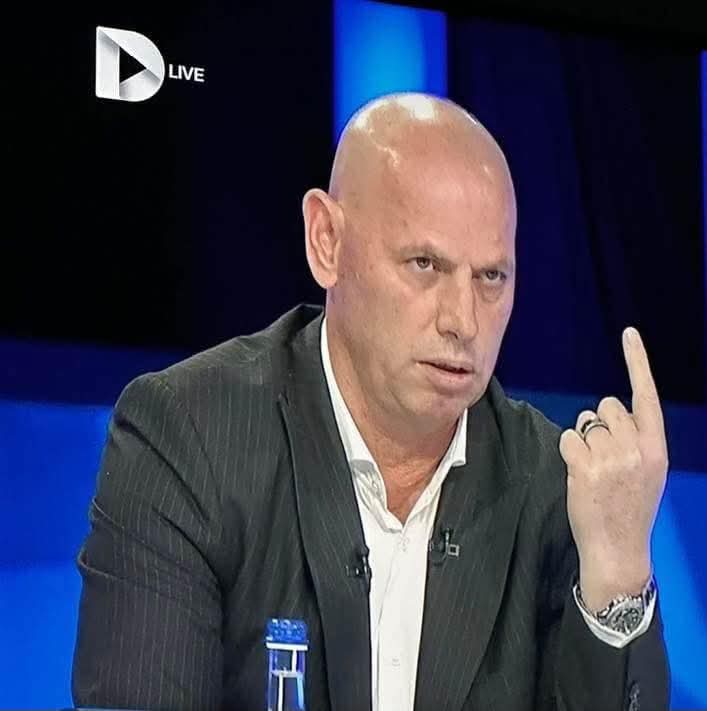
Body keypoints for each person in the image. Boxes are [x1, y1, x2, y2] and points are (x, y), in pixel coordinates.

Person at [71, 92, 670, 711]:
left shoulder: (555, 489)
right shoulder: (187, 439)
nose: (463, 320)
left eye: (491, 276)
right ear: (326, 241)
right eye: (425, 264)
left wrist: (618, 570)